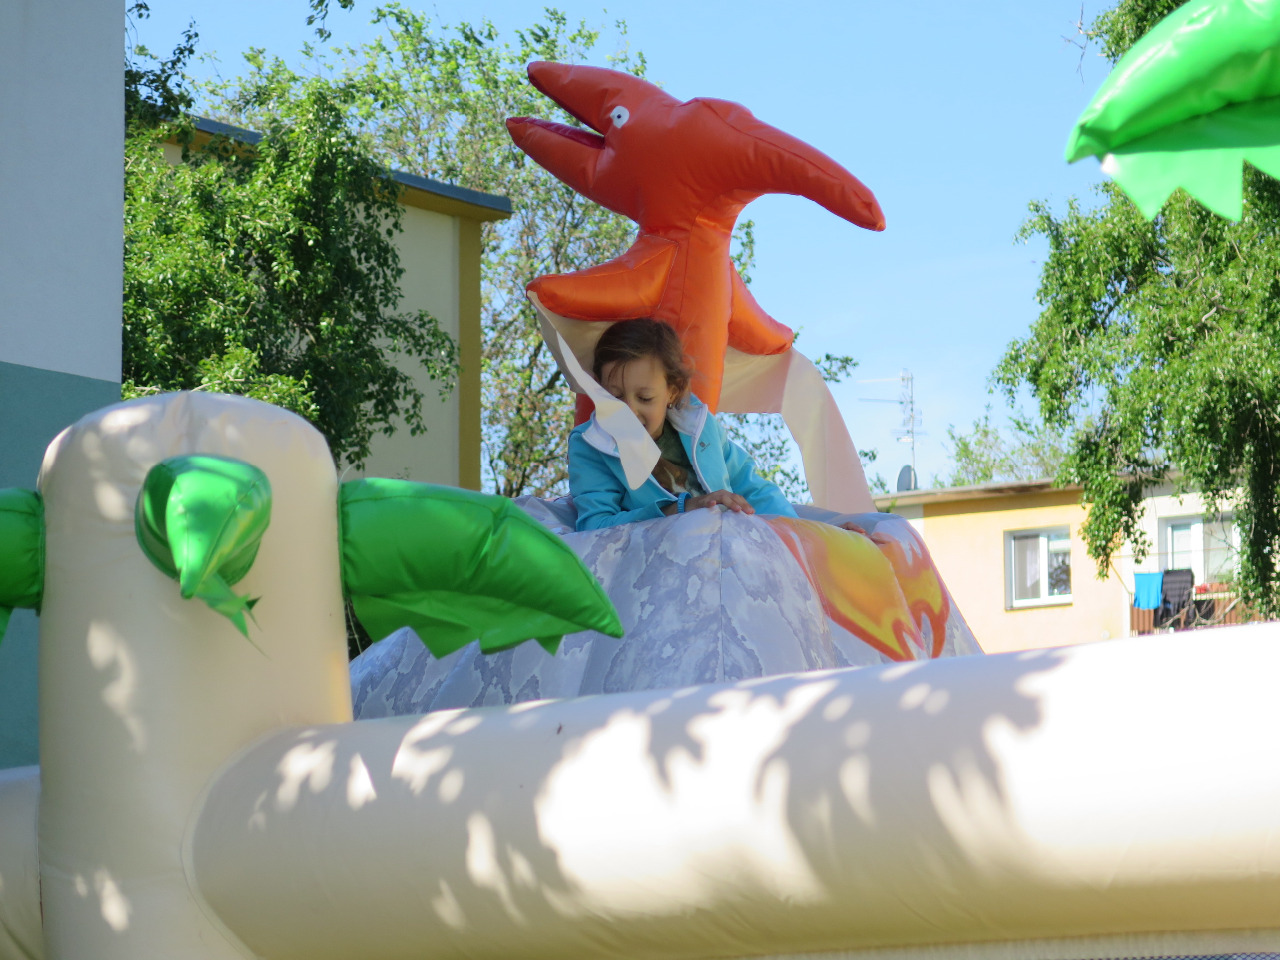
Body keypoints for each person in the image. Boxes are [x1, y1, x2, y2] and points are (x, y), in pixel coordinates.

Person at [568, 318, 798, 531]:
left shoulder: (701, 427)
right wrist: (680, 509)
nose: (629, 411)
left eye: (645, 398)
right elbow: (595, 526)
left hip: (729, 541)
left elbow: (750, 486)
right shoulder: (591, 446)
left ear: (672, 391)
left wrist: (794, 531)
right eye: (615, 397)